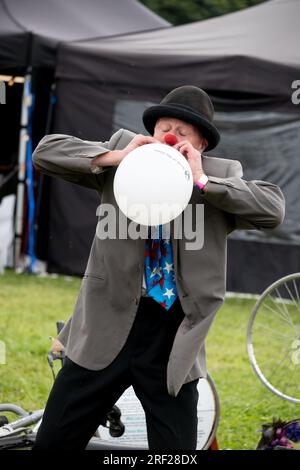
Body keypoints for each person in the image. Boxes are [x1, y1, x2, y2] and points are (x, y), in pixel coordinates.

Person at [31, 85, 285, 450]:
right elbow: (46, 152)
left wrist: (205, 181)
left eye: (183, 134)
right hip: (106, 325)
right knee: (53, 442)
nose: (169, 138)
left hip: (173, 341)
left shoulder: (218, 174)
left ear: (202, 146)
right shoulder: (123, 157)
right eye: (163, 128)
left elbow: (273, 210)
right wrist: (114, 157)